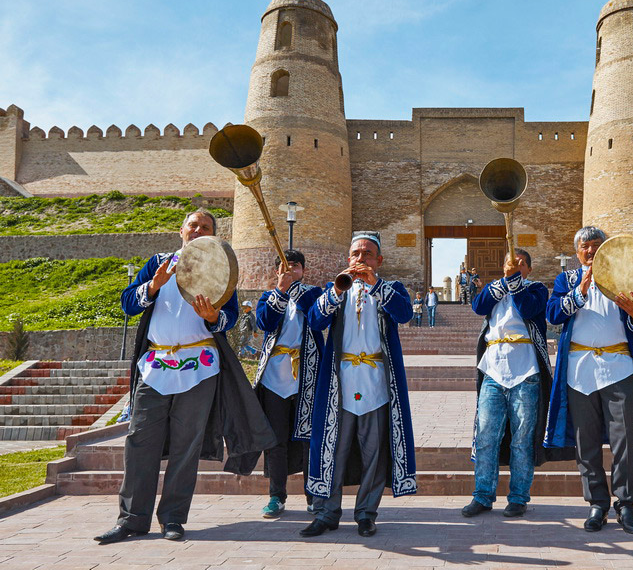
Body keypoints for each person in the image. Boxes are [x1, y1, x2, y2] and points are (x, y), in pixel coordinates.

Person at [95, 209, 276, 544]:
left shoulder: (220, 266)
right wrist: (152, 286)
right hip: (157, 363)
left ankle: (173, 518)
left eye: (205, 227)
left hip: (199, 366)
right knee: (139, 441)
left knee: (186, 444)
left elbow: (230, 318)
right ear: (182, 230)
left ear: (213, 234)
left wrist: (213, 316)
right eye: (193, 225)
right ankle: (132, 520)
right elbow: (127, 304)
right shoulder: (158, 263)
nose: (197, 229)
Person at [302, 231, 416, 538]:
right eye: (355, 254)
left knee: (374, 452)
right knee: (333, 449)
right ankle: (327, 512)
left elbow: (404, 314)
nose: (360, 258)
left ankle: (366, 513)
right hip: (340, 382)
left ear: (378, 260)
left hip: (376, 380)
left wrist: (375, 285)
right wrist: (336, 292)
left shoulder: (390, 288)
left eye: (366, 254)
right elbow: (314, 321)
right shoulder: (336, 288)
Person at [544, 226, 633, 535]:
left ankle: (626, 504)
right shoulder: (566, 281)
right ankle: (596, 503)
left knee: (624, 441)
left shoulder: (624, 276)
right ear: (577, 252)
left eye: (596, 246)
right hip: (580, 372)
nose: (591, 251)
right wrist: (579, 293)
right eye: (585, 247)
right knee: (586, 441)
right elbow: (553, 314)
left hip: (619, 367)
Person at [462, 248, 572, 518]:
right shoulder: (495, 288)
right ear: (503, 267)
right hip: (493, 370)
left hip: (525, 371)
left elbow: (529, 308)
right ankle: (483, 495)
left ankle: (519, 497)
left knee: (522, 438)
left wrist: (515, 283)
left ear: (529, 269)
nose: (516, 267)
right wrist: (504, 283)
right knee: (487, 435)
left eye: (522, 264)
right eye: (512, 264)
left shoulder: (535, 289)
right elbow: (478, 306)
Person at [225, 250, 324, 519]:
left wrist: (297, 290)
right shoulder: (269, 297)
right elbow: (265, 322)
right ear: (276, 271)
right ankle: (276, 496)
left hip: (307, 377)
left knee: (308, 439)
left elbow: (318, 317)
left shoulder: (314, 294)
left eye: (295, 266)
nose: (289, 270)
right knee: (276, 441)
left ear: (304, 269)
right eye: (284, 266)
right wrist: (281, 291)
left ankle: (314, 496)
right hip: (274, 378)